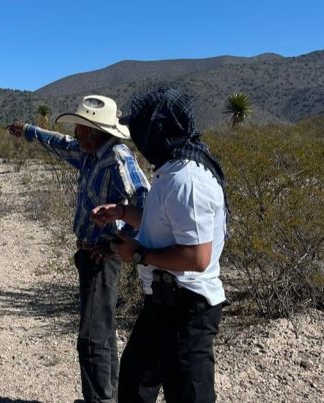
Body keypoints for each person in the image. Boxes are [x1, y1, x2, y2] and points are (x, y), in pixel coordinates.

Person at [8, 95, 150, 403]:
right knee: (101, 332)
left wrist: (115, 245)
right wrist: (29, 130)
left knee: (92, 338)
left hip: (102, 256)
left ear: (95, 132)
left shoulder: (118, 159)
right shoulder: (89, 154)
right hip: (89, 254)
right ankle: (108, 397)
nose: (75, 133)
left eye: (81, 128)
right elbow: (59, 142)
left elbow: (147, 207)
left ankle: (100, 400)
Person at [92, 88, 227, 403]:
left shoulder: (186, 181)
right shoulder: (174, 171)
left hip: (187, 308)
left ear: (157, 132)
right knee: (135, 382)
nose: (138, 140)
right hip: (163, 303)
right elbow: (164, 224)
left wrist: (138, 254)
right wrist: (124, 212)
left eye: (141, 132)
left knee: (188, 395)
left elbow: (197, 256)